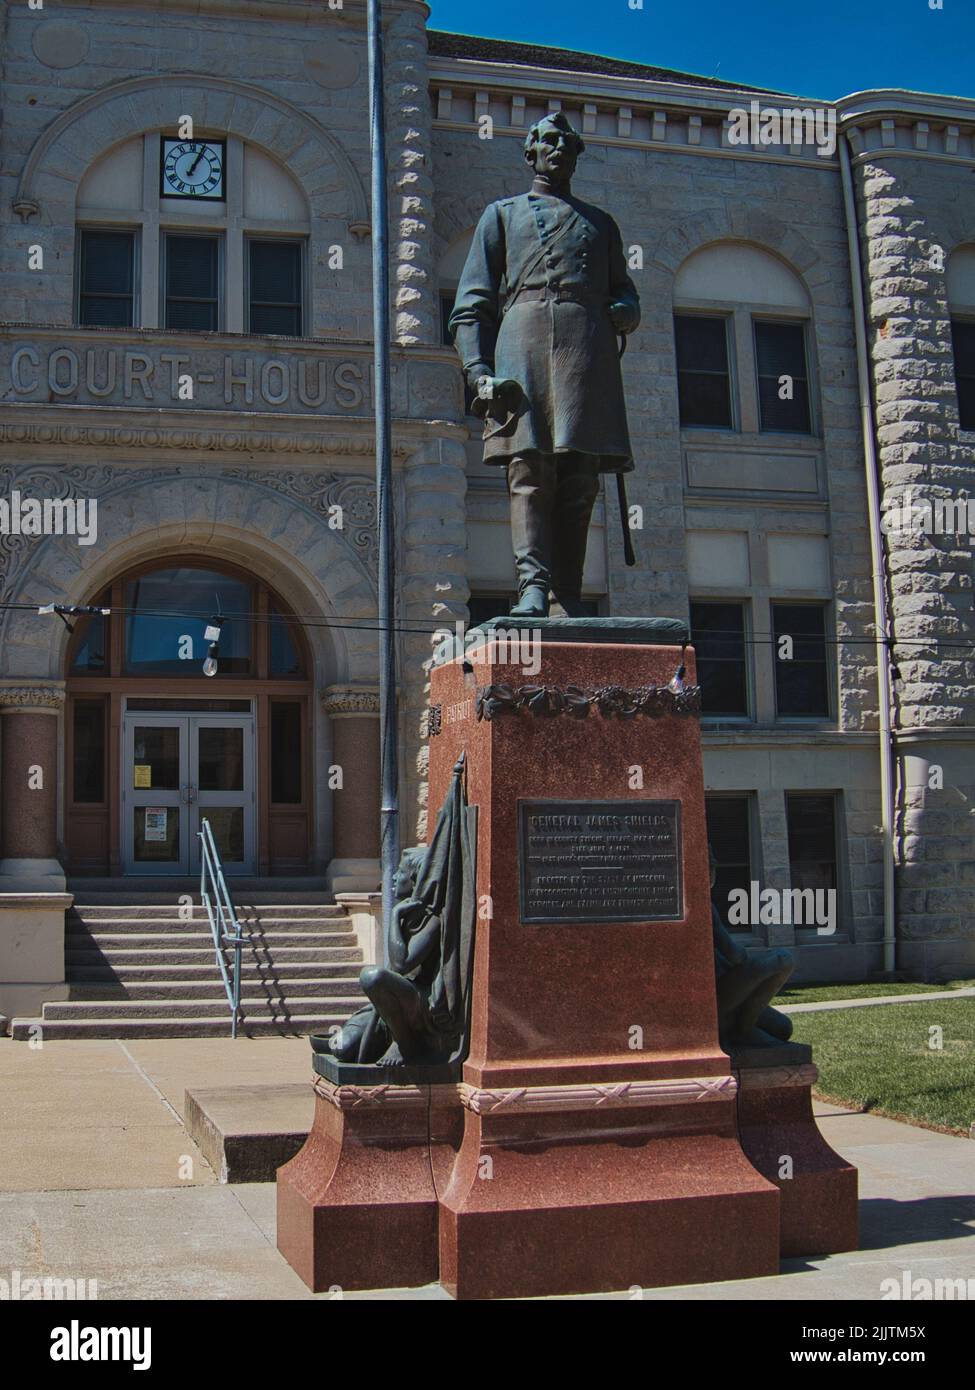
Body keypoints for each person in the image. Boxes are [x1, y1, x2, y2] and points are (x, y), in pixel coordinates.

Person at [449, 111, 640, 617]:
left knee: (580, 478)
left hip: (587, 354)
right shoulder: (502, 216)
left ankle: (567, 594)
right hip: (523, 346)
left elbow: (625, 291)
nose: (557, 150)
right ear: (530, 151)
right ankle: (533, 586)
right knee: (529, 472)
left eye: (567, 143)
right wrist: (476, 369)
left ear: (577, 154)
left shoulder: (601, 224)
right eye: (548, 141)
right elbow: (471, 305)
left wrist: (626, 311)